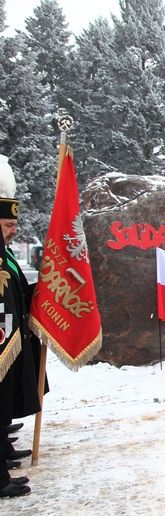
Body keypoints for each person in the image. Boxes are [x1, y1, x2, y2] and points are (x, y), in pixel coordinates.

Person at [0, 165, 36, 497]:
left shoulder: (5, 255)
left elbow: (16, 291)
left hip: (9, 336)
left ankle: (3, 455)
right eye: (8, 225)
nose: (14, 230)